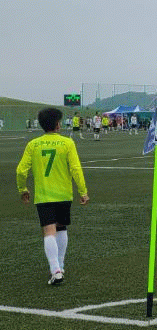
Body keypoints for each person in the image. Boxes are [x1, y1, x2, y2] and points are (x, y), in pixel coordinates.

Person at [16, 107, 89, 285]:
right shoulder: (67, 143)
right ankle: (60, 266)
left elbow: (21, 170)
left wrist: (22, 189)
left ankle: (55, 270)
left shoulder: (33, 144)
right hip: (64, 194)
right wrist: (83, 191)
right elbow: (76, 169)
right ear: (57, 124)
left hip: (44, 195)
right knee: (61, 228)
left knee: (49, 231)